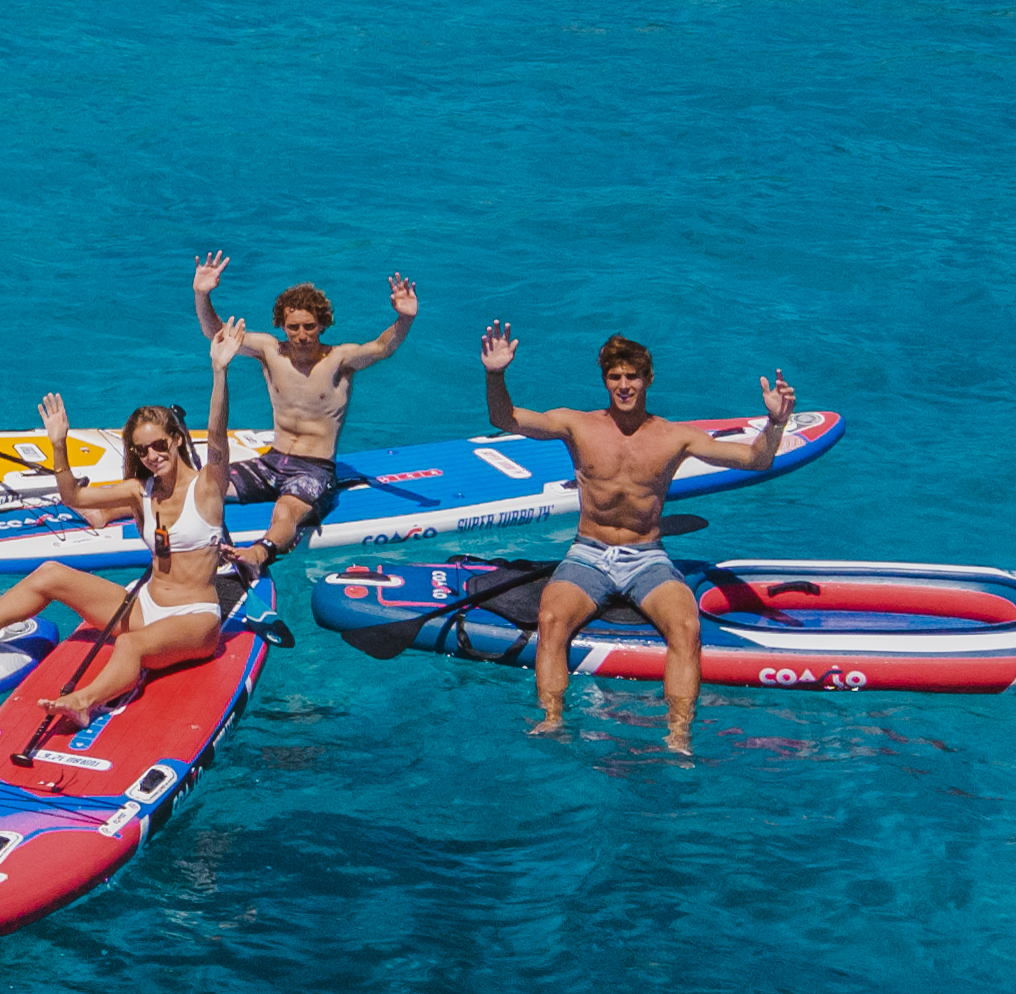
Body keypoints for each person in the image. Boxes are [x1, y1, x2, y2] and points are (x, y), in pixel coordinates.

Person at [0, 322, 252, 738]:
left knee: (129, 645)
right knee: (50, 573)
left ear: (177, 440)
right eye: (142, 450)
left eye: (160, 445)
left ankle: (84, 701)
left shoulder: (208, 486)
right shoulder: (136, 490)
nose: (152, 455)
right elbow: (72, 497)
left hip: (195, 621)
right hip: (143, 607)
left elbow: (217, 437)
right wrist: (58, 445)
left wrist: (220, 371)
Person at [479, 324, 798, 754]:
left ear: (648, 379)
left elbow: (756, 460)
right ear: (605, 380)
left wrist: (776, 424)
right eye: (615, 376)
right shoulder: (577, 425)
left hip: (647, 557)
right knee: (552, 623)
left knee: (685, 628)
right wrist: (495, 375)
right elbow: (506, 418)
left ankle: (678, 736)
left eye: (632, 376)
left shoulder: (674, 437)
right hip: (587, 555)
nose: (624, 385)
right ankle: (552, 719)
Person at [191, 254, 416, 581]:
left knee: (285, 512)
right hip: (272, 462)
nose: (301, 334)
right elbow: (216, 333)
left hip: (315, 469)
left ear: (322, 324)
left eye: (309, 326)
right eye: (293, 327)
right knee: (203, 483)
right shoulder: (270, 350)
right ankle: (106, 509)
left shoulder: (339, 359)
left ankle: (258, 553)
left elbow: (381, 347)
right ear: (282, 326)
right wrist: (202, 294)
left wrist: (404, 319)